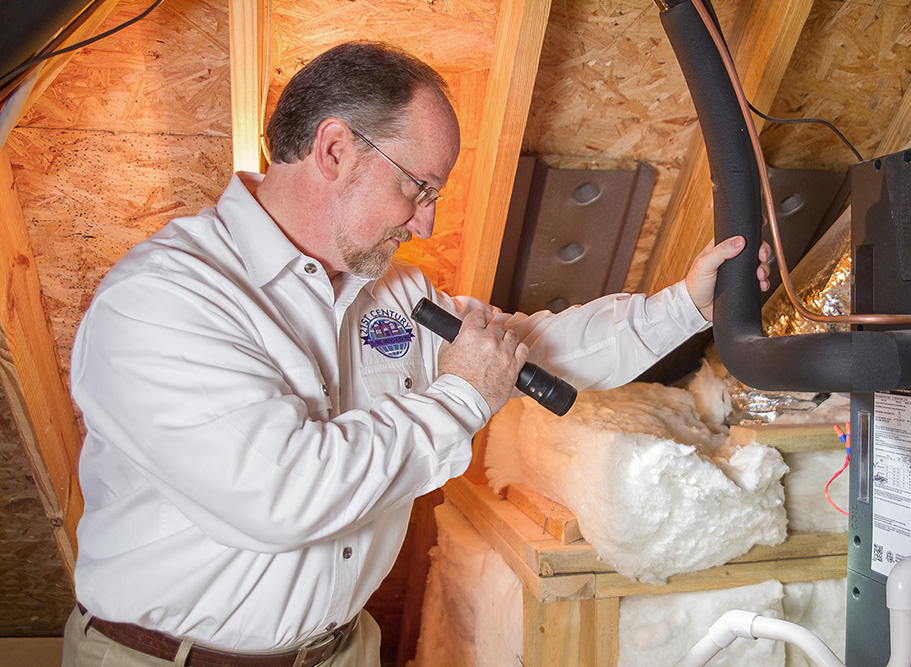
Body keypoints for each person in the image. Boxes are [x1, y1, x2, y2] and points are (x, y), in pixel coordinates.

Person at [62, 40, 770, 667]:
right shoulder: (166, 298)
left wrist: (685, 305)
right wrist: (460, 397)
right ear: (334, 150)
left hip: (341, 649)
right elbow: (280, 494)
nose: (426, 219)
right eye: (417, 185)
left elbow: (530, 350)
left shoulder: (394, 297)